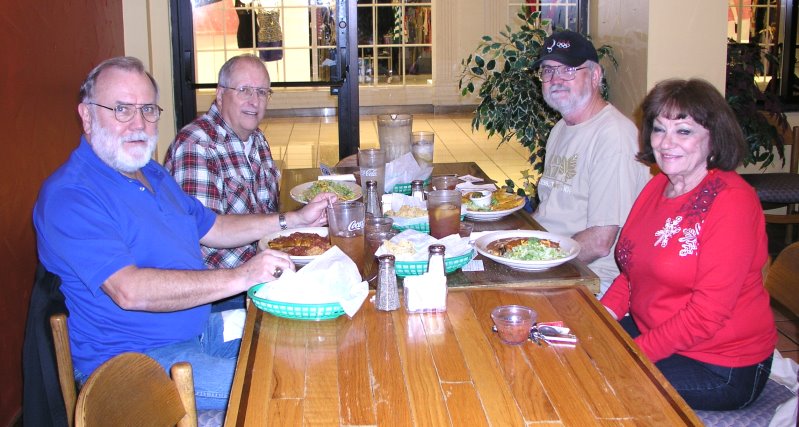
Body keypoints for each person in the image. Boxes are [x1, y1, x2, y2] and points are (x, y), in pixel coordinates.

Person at [32, 56, 333, 410]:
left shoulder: (150, 173)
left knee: (310, 344)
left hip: (199, 329)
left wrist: (293, 219)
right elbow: (129, 290)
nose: (138, 124)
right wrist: (242, 276)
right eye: (121, 110)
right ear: (86, 115)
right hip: (134, 365)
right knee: (285, 388)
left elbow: (215, 227)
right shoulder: (70, 196)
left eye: (147, 109)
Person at [600, 78, 776, 410]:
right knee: (578, 347)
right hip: (657, 331)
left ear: (713, 138)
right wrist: (600, 317)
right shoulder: (657, 187)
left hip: (721, 364)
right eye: (659, 129)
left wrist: (634, 352)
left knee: (603, 383)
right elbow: (632, 273)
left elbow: (706, 315)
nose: (666, 143)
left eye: (684, 131)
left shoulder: (732, 202)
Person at [531, 30, 650, 297]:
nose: (555, 79)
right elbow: (550, 209)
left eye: (569, 69)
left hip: (591, 279)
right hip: (552, 262)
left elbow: (600, 242)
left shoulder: (614, 137)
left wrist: (532, 260)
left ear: (595, 76)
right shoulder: (562, 128)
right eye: (548, 71)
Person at [164, 55, 283, 310]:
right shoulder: (196, 145)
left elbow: (267, 219)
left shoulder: (258, 140)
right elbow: (203, 236)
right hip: (220, 296)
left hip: (264, 276)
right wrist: (290, 221)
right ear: (220, 94)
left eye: (262, 92)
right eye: (244, 90)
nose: (254, 101)